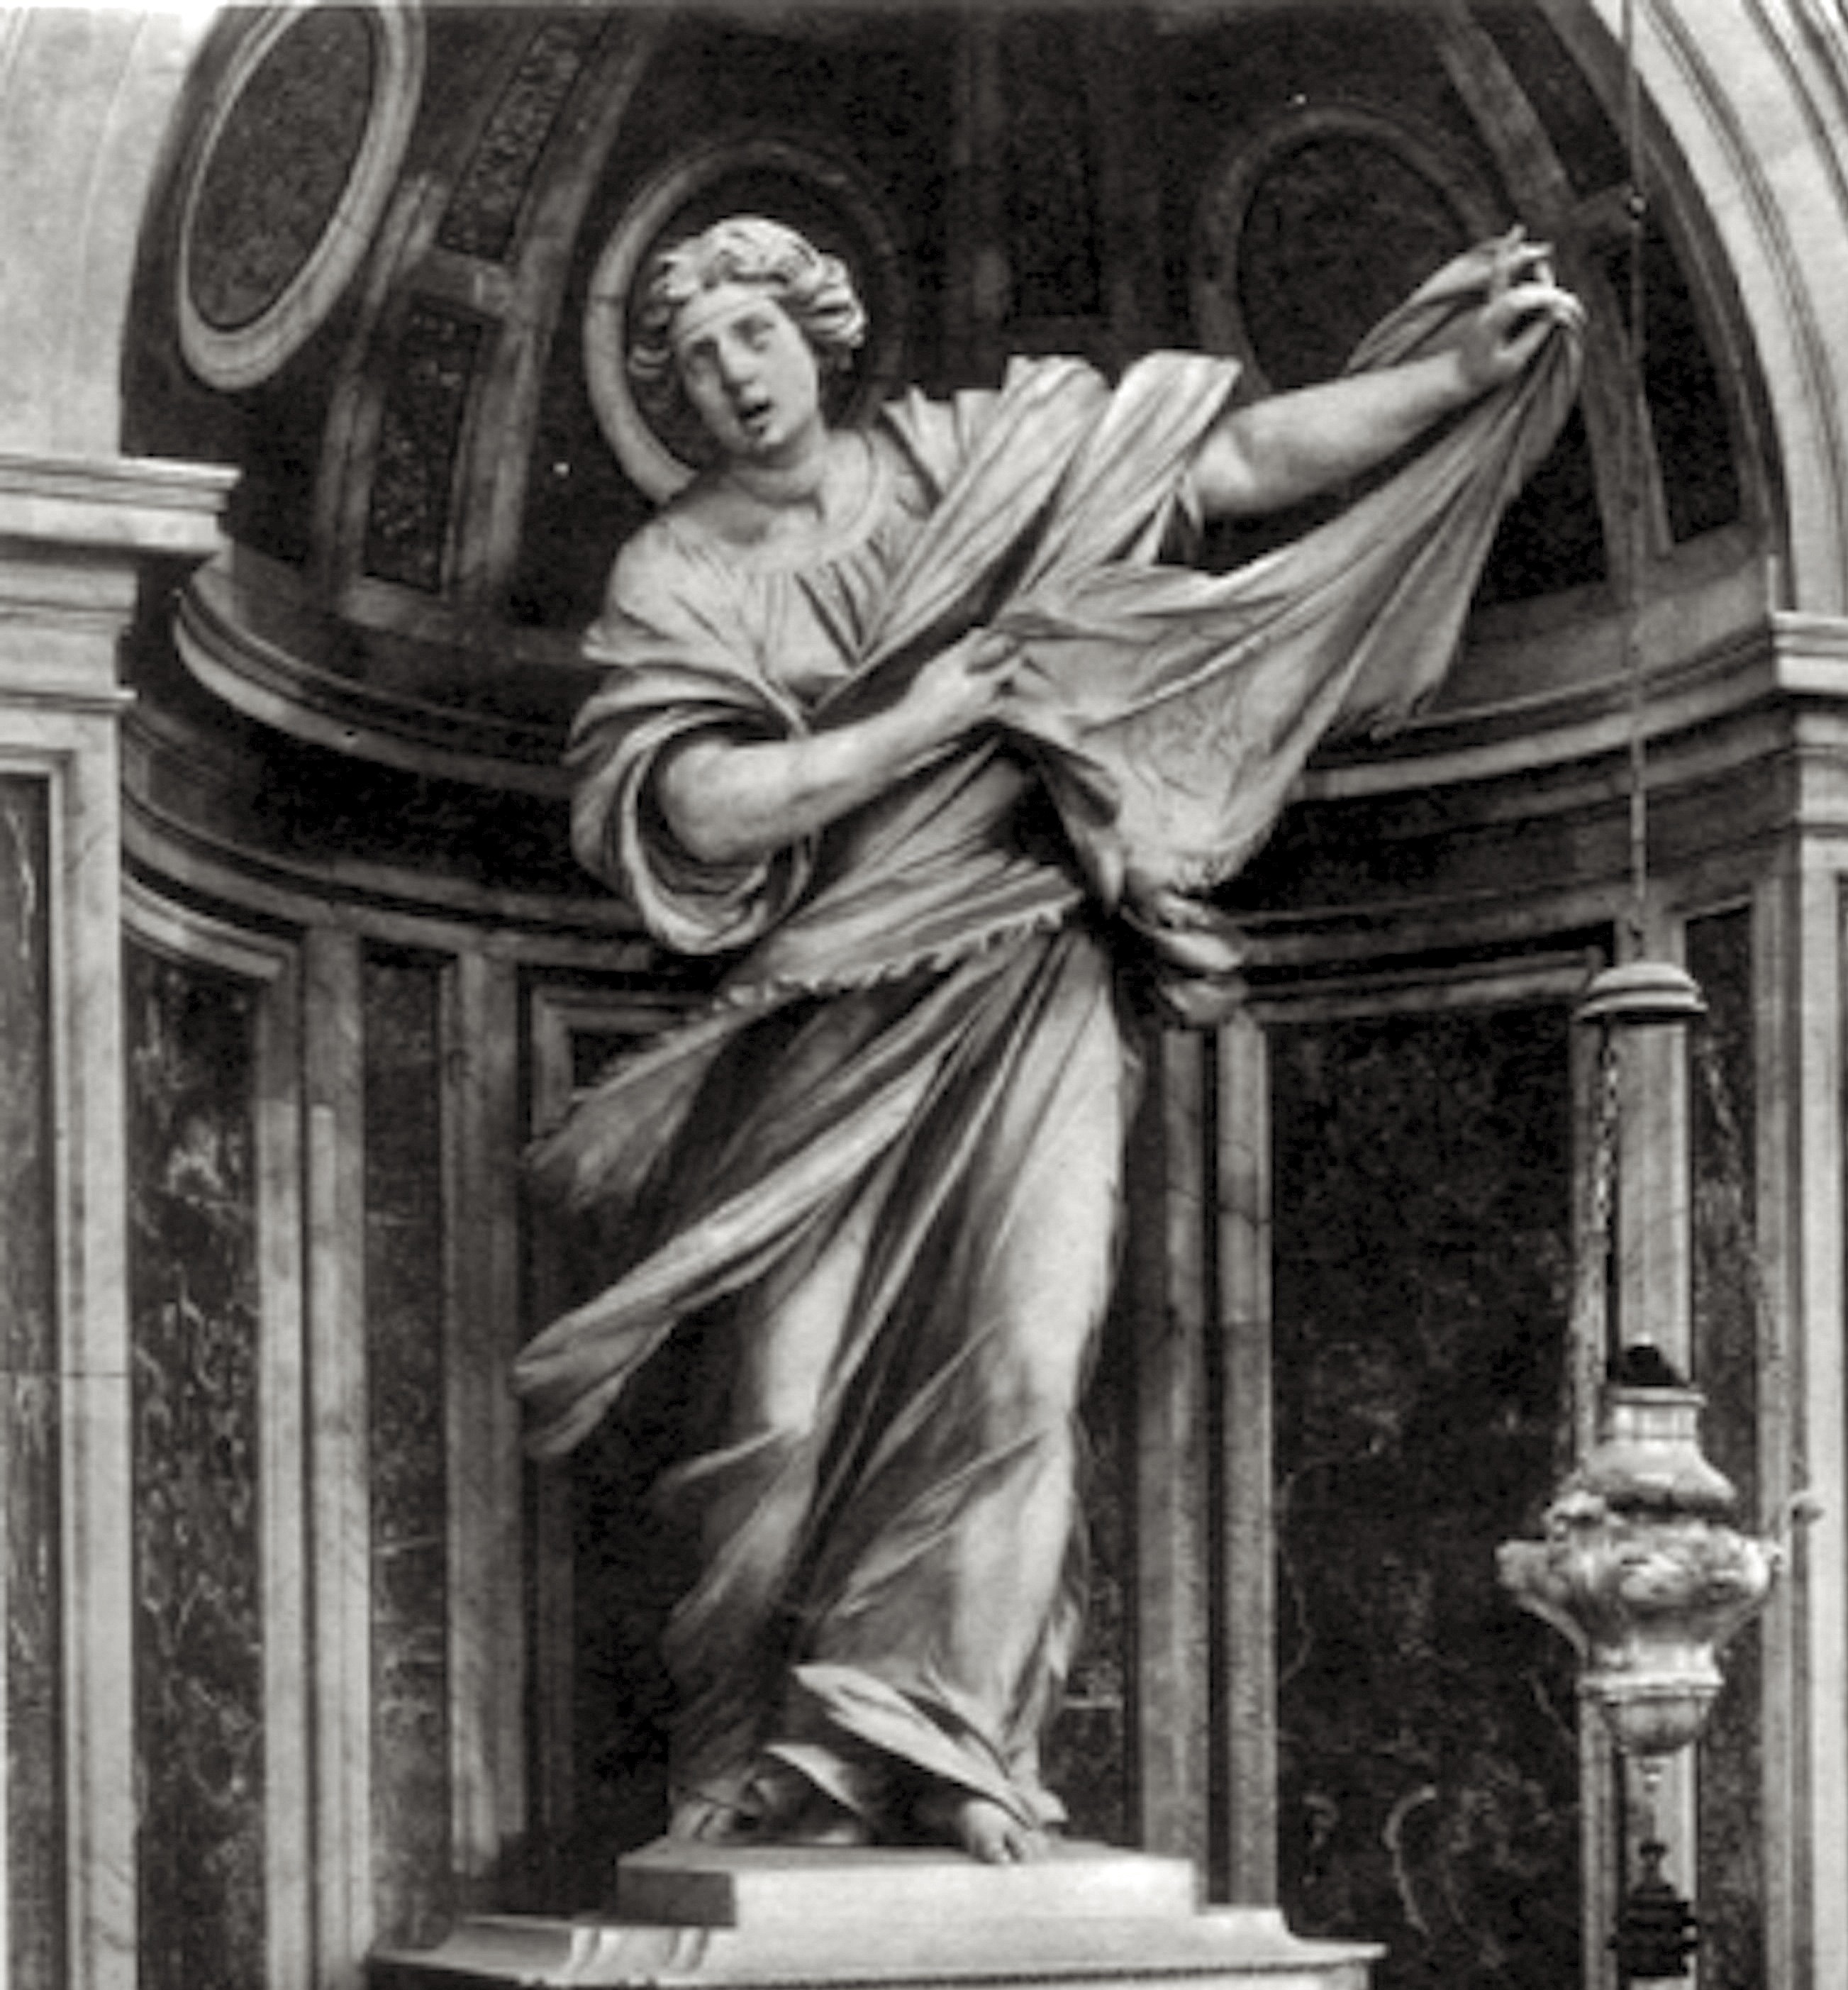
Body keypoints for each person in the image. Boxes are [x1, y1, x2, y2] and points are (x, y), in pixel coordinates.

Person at [517, 214, 1582, 1863]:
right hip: (825, 1016)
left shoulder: (975, 461)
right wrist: (922, 722)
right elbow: (701, 806)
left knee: (1023, 1365)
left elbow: (1229, 462)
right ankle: (746, 1763)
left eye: (757, 334)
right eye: (701, 358)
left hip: (1033, 977)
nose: (736, 376)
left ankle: (949, 1742)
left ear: (819, 330)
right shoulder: (675, 573)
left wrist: (1447, 377)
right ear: (669, 392)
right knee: (778, 1420)